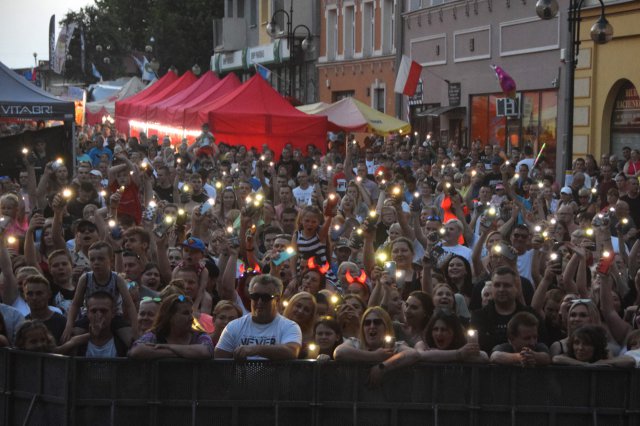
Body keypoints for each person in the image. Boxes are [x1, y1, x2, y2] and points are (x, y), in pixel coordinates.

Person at [214, 274, 302, 360]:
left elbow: (292, 351)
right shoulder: (234, 326)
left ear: (277, 300)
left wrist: (254, 349)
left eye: (265, 297)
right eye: (255, 297)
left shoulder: (289, 326)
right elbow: (219, 359)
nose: (259, 302)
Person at [471, 266, 546, 353]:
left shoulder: (530, 314)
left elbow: (542, 345)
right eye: (497, 285)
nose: (501, 289)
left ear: (516, 288)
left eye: (507, 285)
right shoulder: (479, 316)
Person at [129, 294, 214, 359]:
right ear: (170, 317)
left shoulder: (199, 336)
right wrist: (183, 353)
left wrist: (168, 346)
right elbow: (136, 350)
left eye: (191, 313)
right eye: (185, 313)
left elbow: (205, 351)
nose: (191, 318)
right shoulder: (156, 334)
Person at [416, 309, 488, 363]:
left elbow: (484, 357)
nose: (439, 333)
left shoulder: (462, 346)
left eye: (444, 330)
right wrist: (459, 354)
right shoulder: (423, 345)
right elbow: (421, 355)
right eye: (435, 329)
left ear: (455, 332)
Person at [552, 325, 635, 367]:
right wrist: (585, 365)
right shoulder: (569, 356)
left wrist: (602, 362)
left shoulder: (604, 357)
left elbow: (630, 361)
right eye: (577, 343)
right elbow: (556, 359)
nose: (580, 348)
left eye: (587, 344)